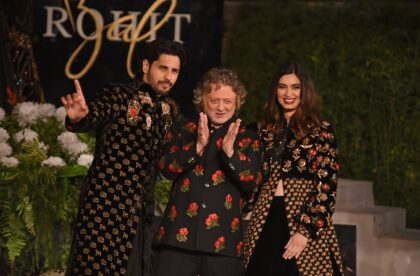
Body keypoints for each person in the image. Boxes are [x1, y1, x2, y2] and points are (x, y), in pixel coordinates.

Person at [61, 38, 186, 275]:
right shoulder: (118, 95)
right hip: (104, 210)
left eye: (174, 71)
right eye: (163, 68)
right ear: (146, 66)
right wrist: (78, 118)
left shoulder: (170, 110)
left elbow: (181, 150)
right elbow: (93, 115)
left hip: (140, 215)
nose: (169, 76)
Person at [152, 68, 262, 276]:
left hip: (223, 244)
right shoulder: (182, 130)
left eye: (228, 102)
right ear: (202, 100)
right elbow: (166, 168)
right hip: (177, 240)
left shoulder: (248, 138)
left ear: (237, 103)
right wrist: (196, 147)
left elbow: (252, 181)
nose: (221, 107)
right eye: (214, 100)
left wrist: (231, 153)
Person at [242, 62, 344, 275]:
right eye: (282, 87)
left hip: (303, 217)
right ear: (275, 91)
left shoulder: (320, 129)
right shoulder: (263, 129)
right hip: (265, 218)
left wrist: (305, 232)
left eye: (295, 87)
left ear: (304, 91)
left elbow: (327, 187)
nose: (288, 93)